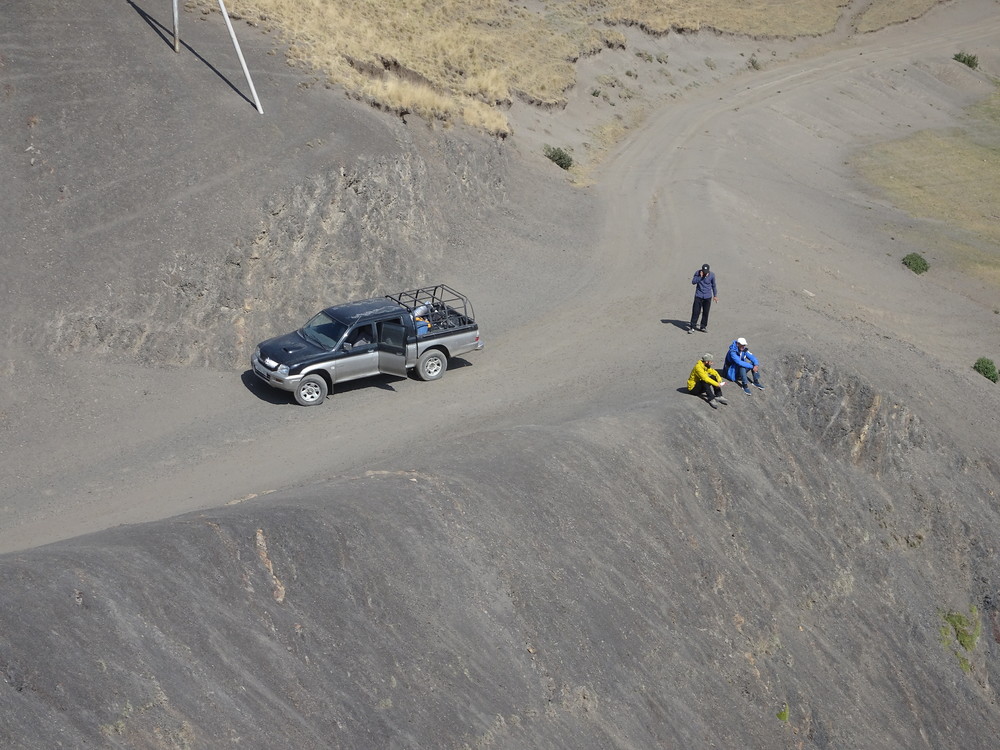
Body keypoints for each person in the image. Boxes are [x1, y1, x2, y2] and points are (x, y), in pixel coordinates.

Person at [688, 263, 717, 333]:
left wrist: (715, 295)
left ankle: (703, 326)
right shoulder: (697, 273)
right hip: (699, 296)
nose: (705, 273)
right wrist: (700, 277)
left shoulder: (712, 275)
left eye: (706, 272)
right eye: (704, 272)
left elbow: (714, 285)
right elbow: (693, 282)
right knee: (696, 311)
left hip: (707, 297)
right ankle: (692, 327)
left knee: (705, 312)